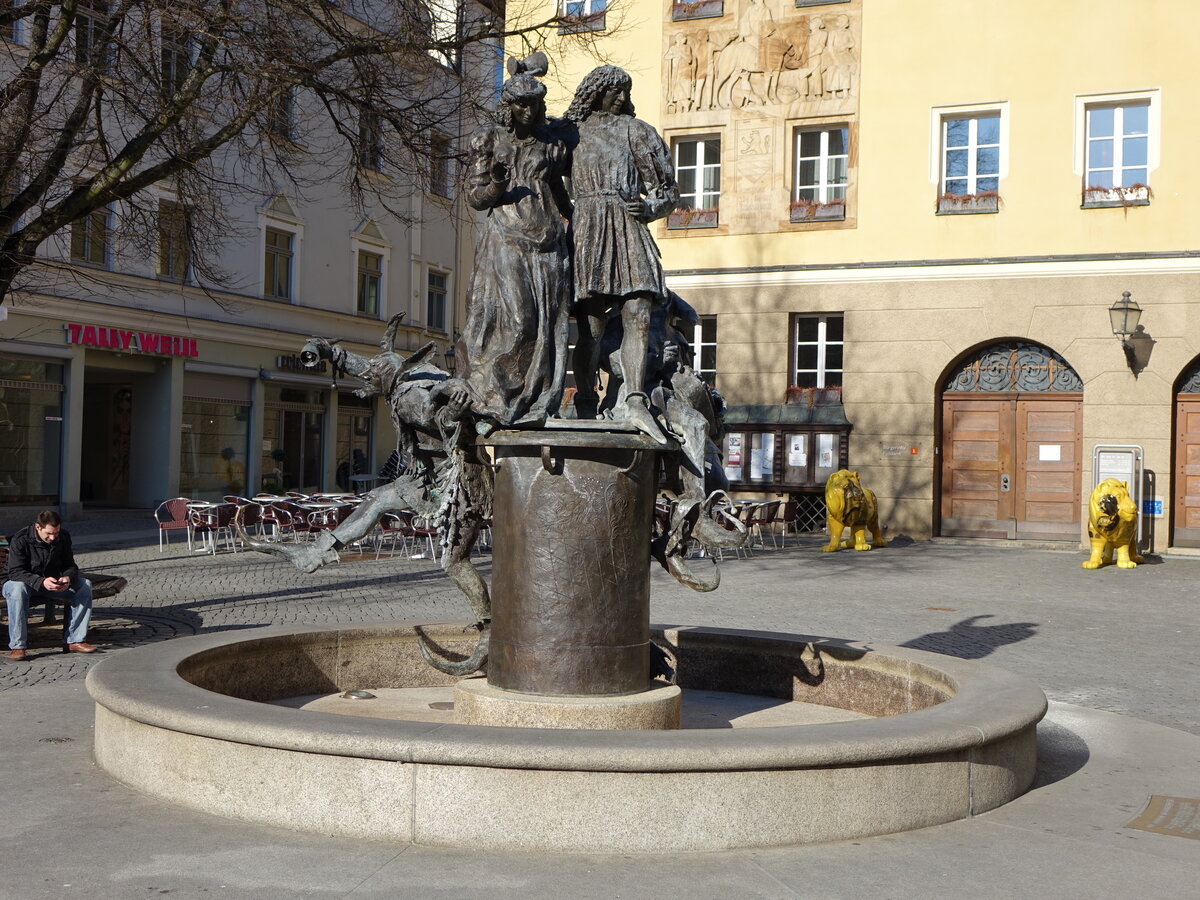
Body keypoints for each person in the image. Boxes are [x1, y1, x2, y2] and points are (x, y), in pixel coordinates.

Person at [455, 52, 572, 431]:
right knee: (518, 321)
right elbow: (475, 198)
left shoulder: (550, 144)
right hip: (505, 239)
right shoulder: (487, 140)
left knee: (544, 325)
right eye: (521, 103)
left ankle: (534, 401)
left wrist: (579, 220)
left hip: (547, 244)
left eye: (534, 103)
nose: (528, 110)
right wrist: (498, 184)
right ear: (508, 105)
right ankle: (496, 398)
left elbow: (558, 191)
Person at [564, 65, 679, 443]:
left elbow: (666, 189)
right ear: (596, 91)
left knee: (639, 313)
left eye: (625, 92)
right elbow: (544, 176)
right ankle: (584, 399)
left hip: (628, 228)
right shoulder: (571, 134)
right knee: (592, 329)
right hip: (590, 231)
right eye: (615, 90)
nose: (622, 98)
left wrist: (651, 210)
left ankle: (634, 397)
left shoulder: (637, 131)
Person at [3, 509, 96, 661]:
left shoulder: (63, 537)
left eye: (56, 533)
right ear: (38, 527)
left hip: (51, 584)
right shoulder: (20, 539)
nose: (53, 537)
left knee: (84, 585)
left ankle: (75, 640)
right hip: (22, 584)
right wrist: (41, 581)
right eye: (49, 533)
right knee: (17, 589)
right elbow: (15, 572)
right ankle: (18, 646)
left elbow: (70, 565)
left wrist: (67, 578)